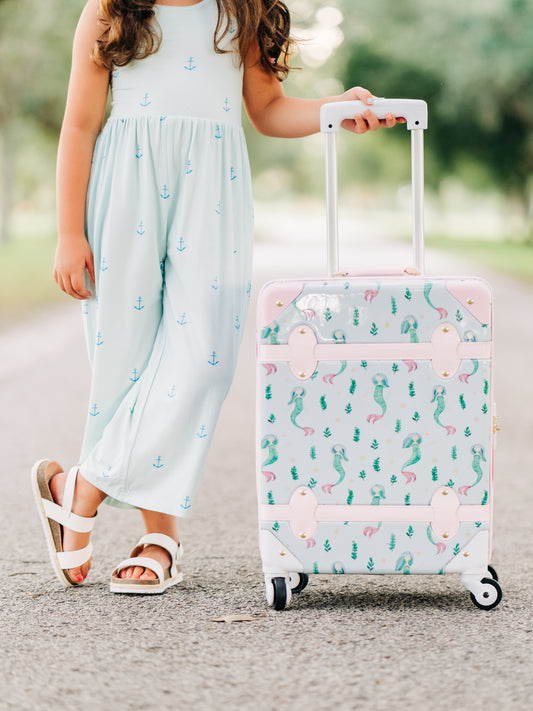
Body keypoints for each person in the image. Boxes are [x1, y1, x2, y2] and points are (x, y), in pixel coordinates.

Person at [32, 0, 401, 595]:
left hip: (215, 187)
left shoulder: (244, 11)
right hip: (122, 189)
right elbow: (79, 125)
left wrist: (336, 110)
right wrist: (69, 233)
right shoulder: (109, 8)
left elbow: (270, 110)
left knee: (206, 356)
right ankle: (161, 538)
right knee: (125, 362)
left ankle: (82, 488)